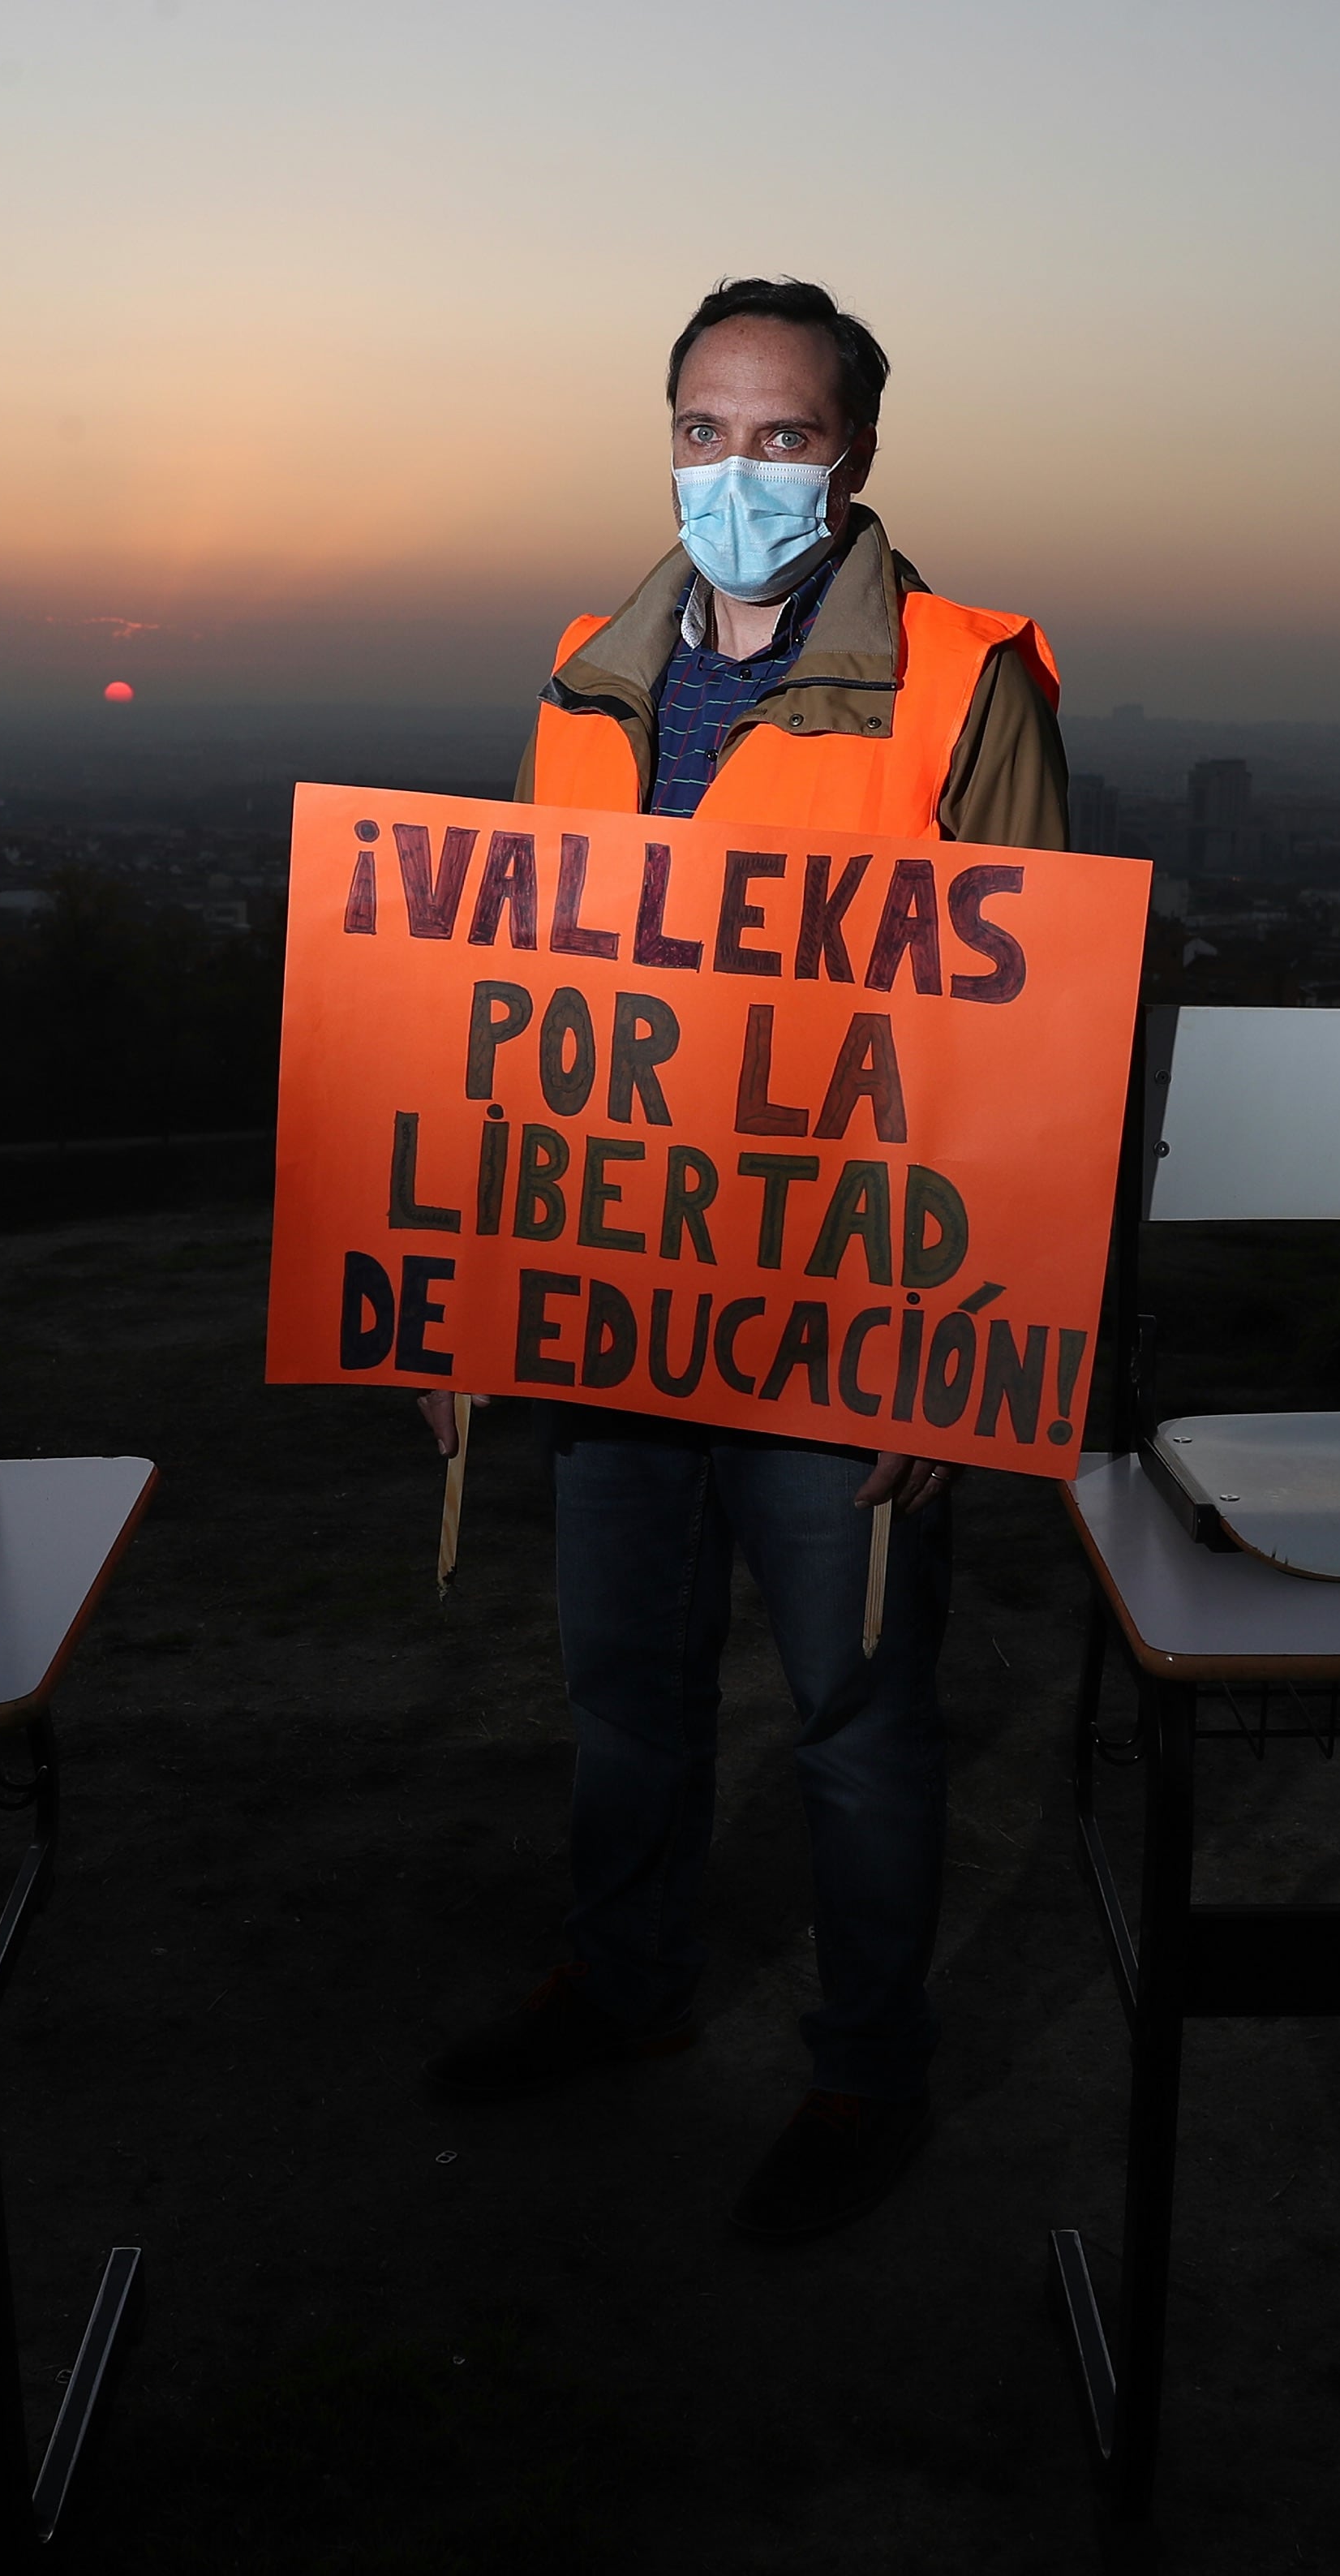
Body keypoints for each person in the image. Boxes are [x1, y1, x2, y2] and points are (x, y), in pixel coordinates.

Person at [419, 277, 1072, 2244]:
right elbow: (524, 1000)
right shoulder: (581, 672)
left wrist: (959, 1357)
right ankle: (622, 1988)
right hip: (616, 1287)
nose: (737, 471)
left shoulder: (965, 683)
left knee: (854, 1722)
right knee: (624, 1693)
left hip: (849, 1309)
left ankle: (868, 2073)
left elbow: (1033, 1034)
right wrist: (465, 1277)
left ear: (857, 452)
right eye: (703, 430)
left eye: (781, 435)